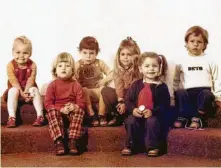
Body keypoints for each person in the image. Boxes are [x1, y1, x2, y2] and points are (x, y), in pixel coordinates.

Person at [121, 52, 170, 157]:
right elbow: (128, 100)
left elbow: (164, 105)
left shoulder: (162, 87)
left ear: (159, 68)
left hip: (153, 116)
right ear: (140, 69)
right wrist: (133, 110)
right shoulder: (136, 85)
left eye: (154, 66)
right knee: (130, 121)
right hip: (137, 114)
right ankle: (130, 145)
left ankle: (152, 147)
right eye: (147, 66)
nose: (151, 69)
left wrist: (153, 112)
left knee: (152, 122)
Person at [173, 26, 221, 129]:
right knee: (180, 92)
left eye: (199, 42)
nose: (195, 44)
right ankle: (183, 117)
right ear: (186, 43)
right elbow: (176, 81)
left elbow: (217, 80)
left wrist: (218, 98)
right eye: (192, 41)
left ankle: (198, 118)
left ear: (204, 44)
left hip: (203, 96)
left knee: (207, 94)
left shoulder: (210, 61)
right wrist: (173, 98)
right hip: (187, 95)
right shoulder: (180, 61)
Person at [44, 52, 86, 156]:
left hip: (71, 115)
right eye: (60, 66)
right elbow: (48, 104)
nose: (63, 68)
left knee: (80, 111)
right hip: (57, 114)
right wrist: (60, 109)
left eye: (67, 66)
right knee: (51, 111)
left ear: (72, 70)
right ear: (55, 70)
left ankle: (73, 141)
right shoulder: (52, 85)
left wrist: (74, 107)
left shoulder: (76, 85)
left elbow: (81, 103)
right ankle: (59, 141)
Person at [3, 36, 45, 128]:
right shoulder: (10, 65)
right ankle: (12, 117)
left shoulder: (32, 65)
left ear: (30, 53)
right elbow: (13, 80)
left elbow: (31, 79)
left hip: (28, 91)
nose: (21, 56)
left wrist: (26, 91)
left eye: (25, 53)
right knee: (13, 90)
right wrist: (21, 93)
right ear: (12, 52)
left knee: (34, 89)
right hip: (16, 92)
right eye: (18, 52)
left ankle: (40, 115)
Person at [101, 37, 142, 126]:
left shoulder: (138, 69)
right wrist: (121, 101)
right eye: (122, 54)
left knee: (137, 97)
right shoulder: (118, 70)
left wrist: (125, 102)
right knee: (106, 91)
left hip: (134, 95)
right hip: (123, 94)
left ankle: (128, 115)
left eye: (129, 55)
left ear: (135, 56)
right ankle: (117, 115)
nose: (125, 57)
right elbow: (119, 86)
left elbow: (134, 88)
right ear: (118, 56)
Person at [75, 36, 113, 127]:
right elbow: (73, 79)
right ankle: (91, 114)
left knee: (104, 89)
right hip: (85, 93)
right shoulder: (77, 64)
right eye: (85, 53)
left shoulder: (99, 63)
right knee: (84, 90)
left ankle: (101, 115)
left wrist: (104, 80)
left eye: (91, 53)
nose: (88, 56)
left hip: (98, 90)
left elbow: (112, 73)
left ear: (96, 53)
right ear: (80, 52)